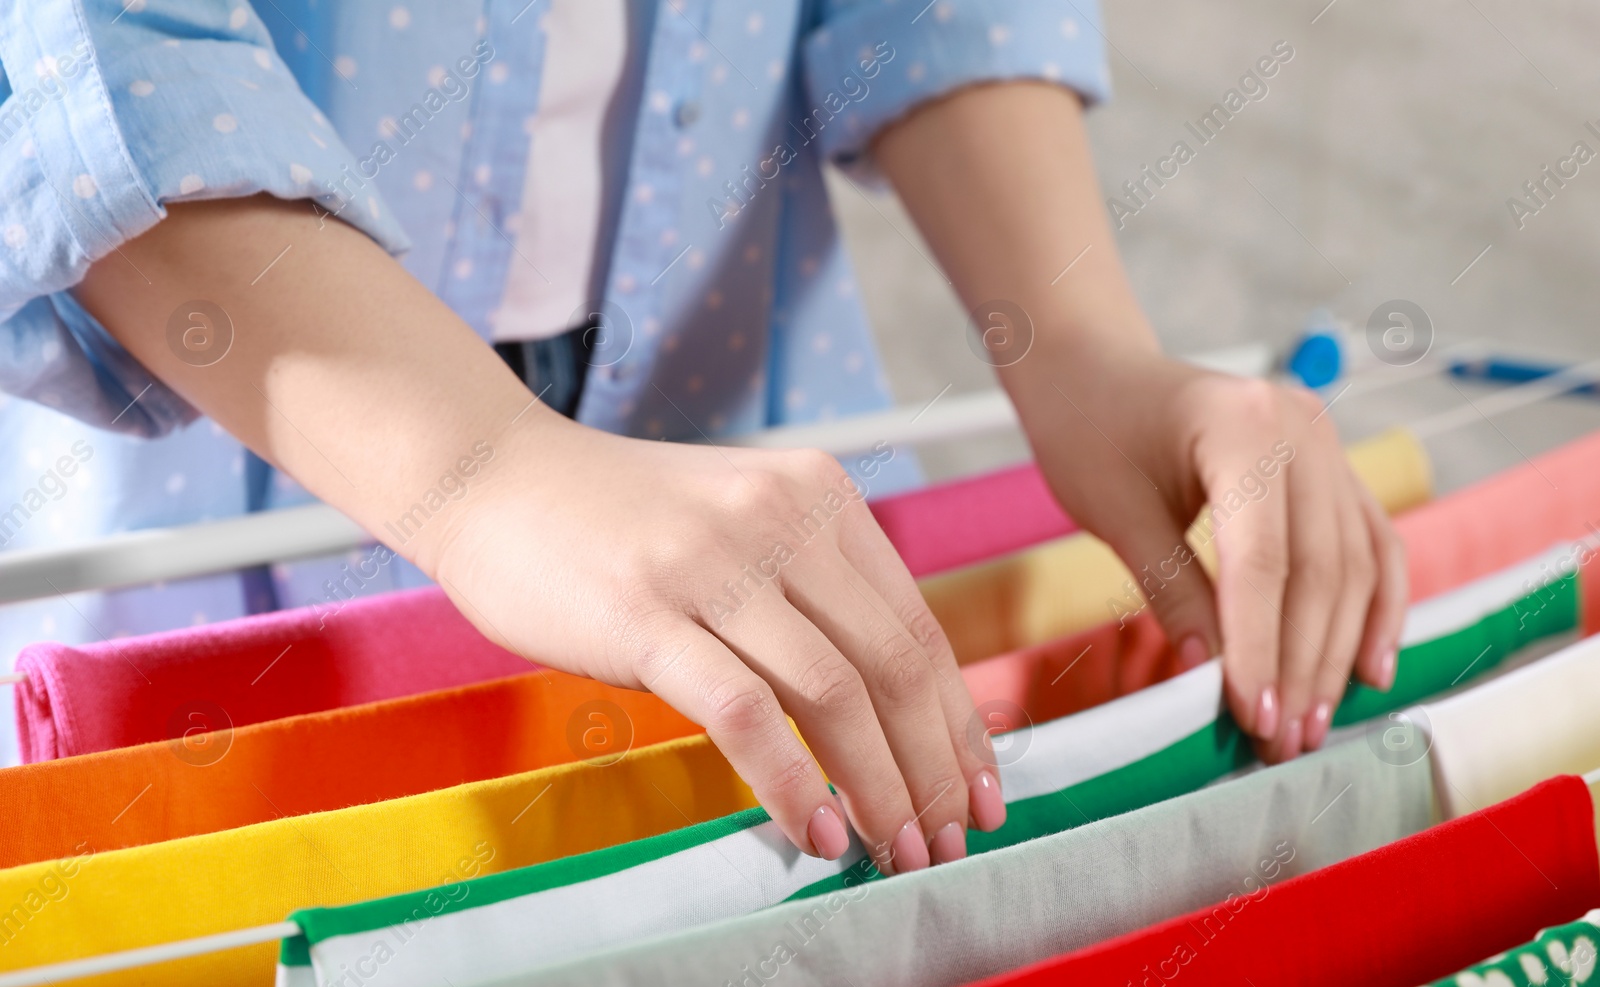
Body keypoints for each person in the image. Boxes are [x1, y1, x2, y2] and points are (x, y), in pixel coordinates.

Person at [0, 0, 1404, 875]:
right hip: (221, 484)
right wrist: (483, 473)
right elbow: (93, 48)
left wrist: (1087, 351)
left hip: (750, 455)